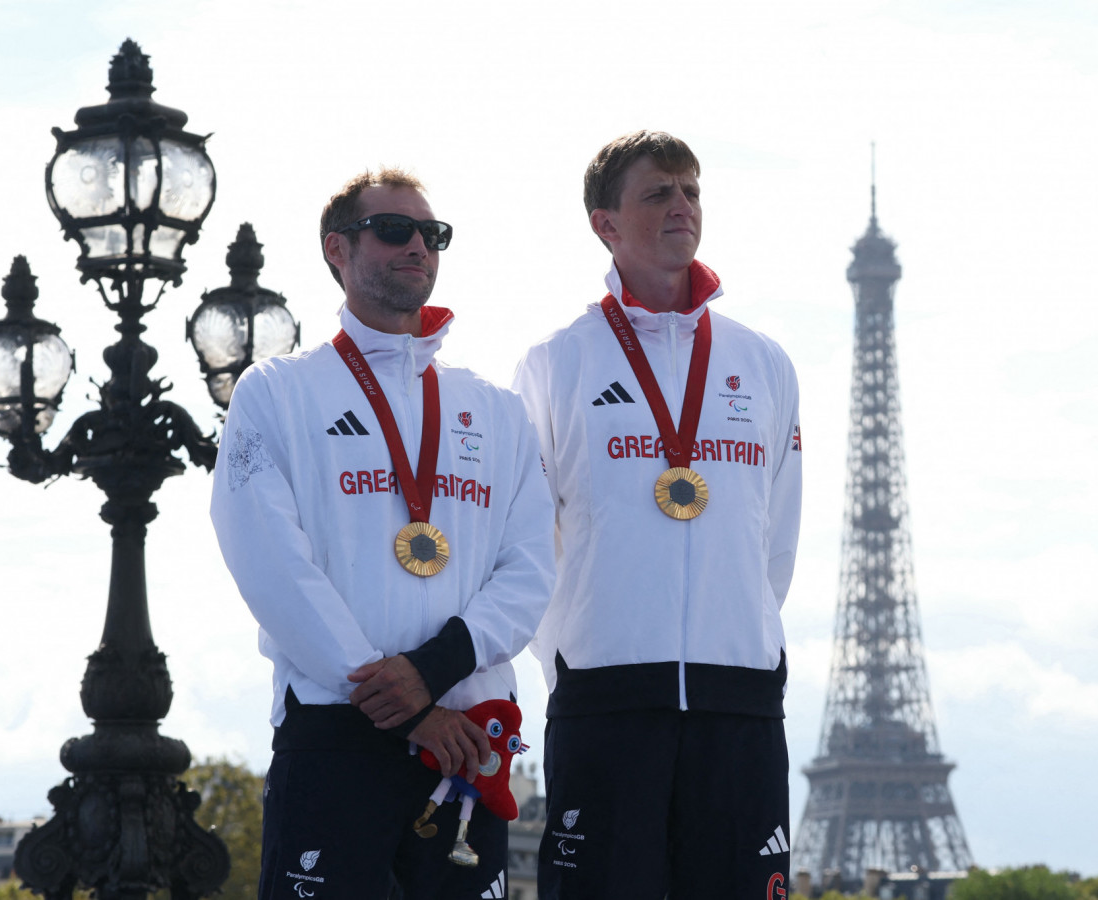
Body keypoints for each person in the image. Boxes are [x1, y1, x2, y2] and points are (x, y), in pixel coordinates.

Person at [211, 167, 555, 899]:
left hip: (467, 742)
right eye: (394, 230)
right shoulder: (275, 392)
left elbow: (531, 569)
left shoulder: (496, 409)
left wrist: (432, 676)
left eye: (432, 235)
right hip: (336, 734)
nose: (417, 248)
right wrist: (403, 704)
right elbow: (270, 564)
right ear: (338, 249)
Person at [512, 131, 802, 899]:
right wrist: (572, 662)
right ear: (606, 223)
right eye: (658, 192)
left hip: (737, 699)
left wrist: (740, 636)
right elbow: (530, 542)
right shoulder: (556, 362)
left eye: (692, 190)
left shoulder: (764, 362)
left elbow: (776, 536)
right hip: (605, 697)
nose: (682, 205)